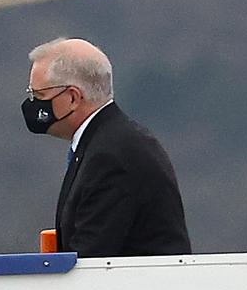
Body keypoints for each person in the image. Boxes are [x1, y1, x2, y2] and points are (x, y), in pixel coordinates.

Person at [21, 38, 191, 258]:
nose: (32, 104)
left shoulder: (111, 156)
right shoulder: (103, 143)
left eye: (39, 96)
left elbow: (90, 258)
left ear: (72, 97)